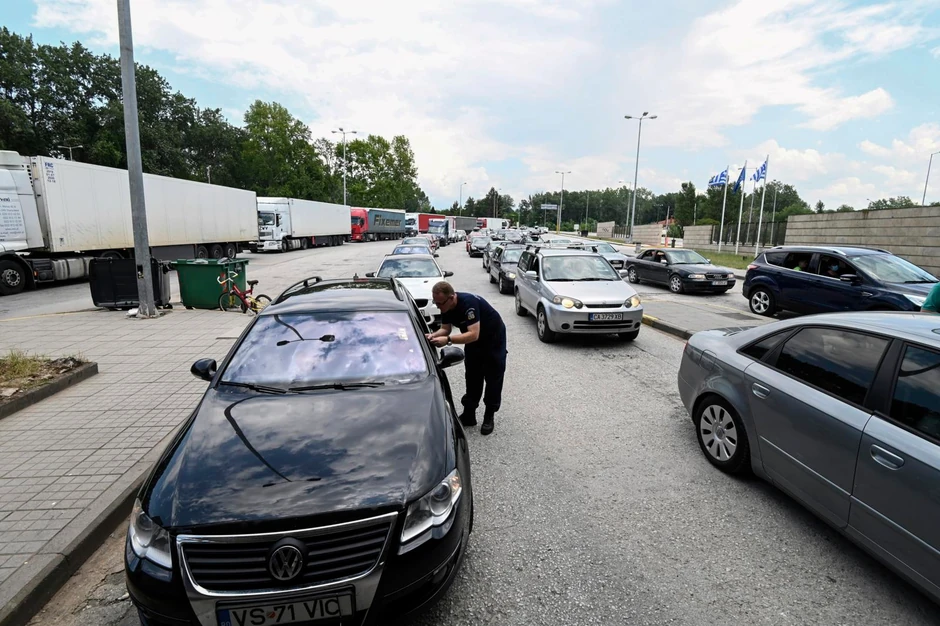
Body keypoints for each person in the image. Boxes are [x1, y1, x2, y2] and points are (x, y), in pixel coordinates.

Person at [426, 282, 507, 435]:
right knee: (472, 376)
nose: (437, 306)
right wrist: (433, 335)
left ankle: (489, 415)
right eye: (435, 302)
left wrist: (448, 340)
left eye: (439, 303)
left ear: (451, 298)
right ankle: (469, 414)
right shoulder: (445, 306)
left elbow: (473, 334)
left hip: (493, 341)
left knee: (493, 378)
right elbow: (446, 328)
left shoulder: (469, 304)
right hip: (473, 343)